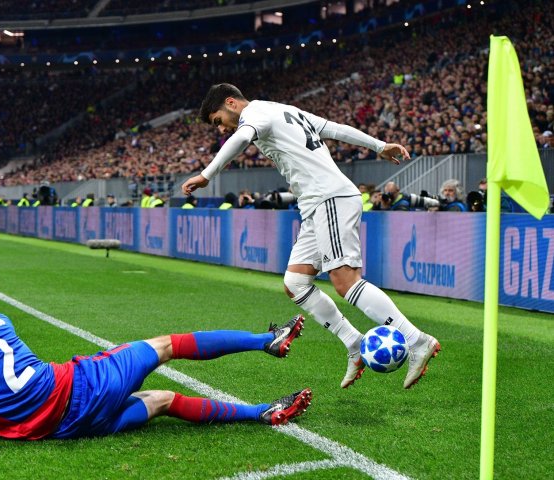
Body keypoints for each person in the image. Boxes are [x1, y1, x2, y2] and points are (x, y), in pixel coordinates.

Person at [0, 286, 311, 449]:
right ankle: (265, 340)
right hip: (82, 385)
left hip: (68, 428)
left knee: (161, 400)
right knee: (165, 345)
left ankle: (264, 412)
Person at [183, 83, 440, 389]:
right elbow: (335, 128)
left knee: (346, 282)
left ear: (231, 103)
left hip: (329, 198)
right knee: (295, 283)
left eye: (218, 120)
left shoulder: (254, 114)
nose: (222, 128)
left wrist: (206, 174)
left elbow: (240, 137)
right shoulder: (283, 109)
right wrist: (378, 145)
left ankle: (417, 340)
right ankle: (354, 343)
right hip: (316, 206)